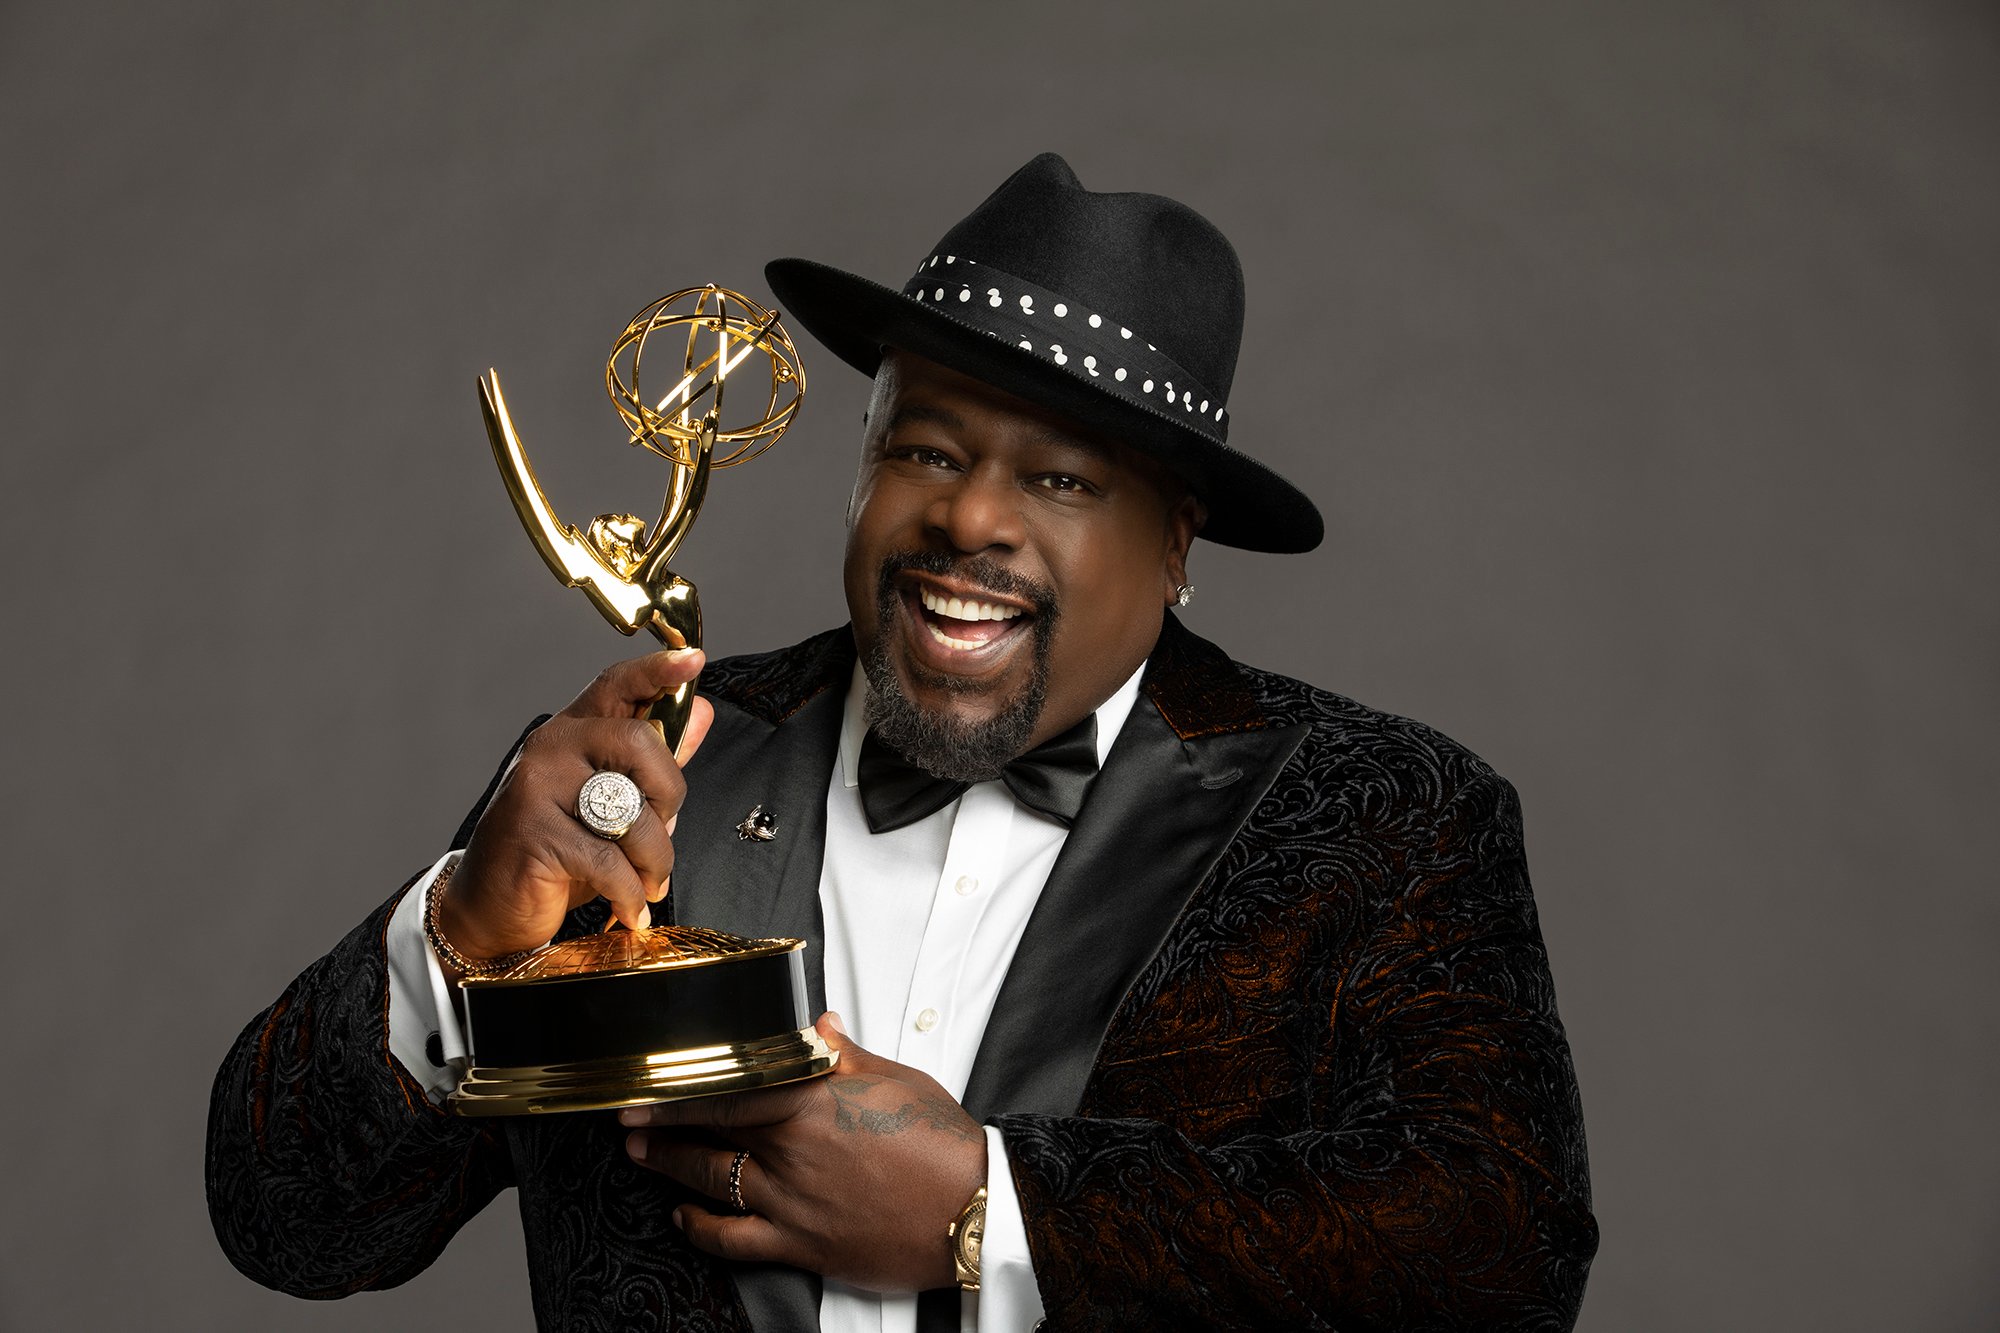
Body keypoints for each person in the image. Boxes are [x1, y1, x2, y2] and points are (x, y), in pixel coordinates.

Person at [207, 152, 1598, 1332]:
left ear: (1176, 542)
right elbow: (291, 1222)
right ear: (863, 461)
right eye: (926, 449)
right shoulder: (638, 770)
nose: (969, 518)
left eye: (1058, 476)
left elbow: (1502, 1253)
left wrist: (994, 1214)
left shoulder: (1386, 814)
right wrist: (456, 937)